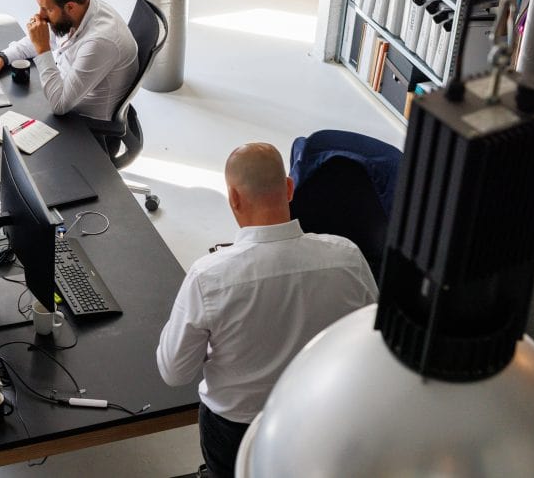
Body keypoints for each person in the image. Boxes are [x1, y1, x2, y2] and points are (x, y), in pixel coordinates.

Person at [156, 143, 378, 478]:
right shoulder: (347, 257)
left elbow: (174, 373)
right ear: (289, 188)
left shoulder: (208, 277)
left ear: (233, 198)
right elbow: (373, 340)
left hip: (235, 432)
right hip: (324, 419)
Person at [0, 0, 138, 121]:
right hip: (62, 88)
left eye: (47, 9)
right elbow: (45, 37)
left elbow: (59, 105)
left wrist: (42, 50)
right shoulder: (81, 9)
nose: (40, 15)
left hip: (80, 123)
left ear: (70, 7)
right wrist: (2, 58)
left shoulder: (100, 42)